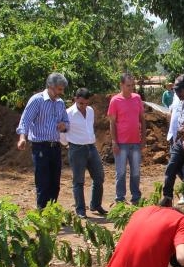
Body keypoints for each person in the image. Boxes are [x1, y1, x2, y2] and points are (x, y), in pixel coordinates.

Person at [17, 72, 70, 209]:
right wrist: (22, 138)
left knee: (55, 183)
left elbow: (66, 122)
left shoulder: (60, 103)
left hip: (55, 147)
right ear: (50, 86)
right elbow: (25, 120)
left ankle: (51, 213)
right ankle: (42, 215)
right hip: (41, 147)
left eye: (62, 89)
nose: (61, 92)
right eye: (59, 89)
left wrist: (64, 126)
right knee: (43, 182)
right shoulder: (37, 100)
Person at [60, 88, 106, 218]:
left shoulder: (90, 111)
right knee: (78, 181)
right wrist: (68, 144)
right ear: (75, 99)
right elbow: (62, 133)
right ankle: (80, 210)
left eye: (86, 103)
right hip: (77, 149)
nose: (84, 106)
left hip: (91, 147)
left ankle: (95, 204)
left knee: (99, 177)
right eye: (81, 103)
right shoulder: (68, 113)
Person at [107, 72, 146, 204]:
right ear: (121, 85)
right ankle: (120, 198)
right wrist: (114, 141)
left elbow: (142, 119)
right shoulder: (115, 101)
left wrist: (143, 138)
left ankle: (136, 197)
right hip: (121, 143)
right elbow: (112, 122)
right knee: (121, 173)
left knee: (136, 172)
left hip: (135, 142)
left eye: (132, 85)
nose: (131, 88)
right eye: (128, 85)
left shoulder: (137, 98)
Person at [162, 74, 184, 204]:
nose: (176, 93)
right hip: (180, 137)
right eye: (175, 90)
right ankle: (167, 197)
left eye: (179, 90)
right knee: (172, 166)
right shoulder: (179, 98)